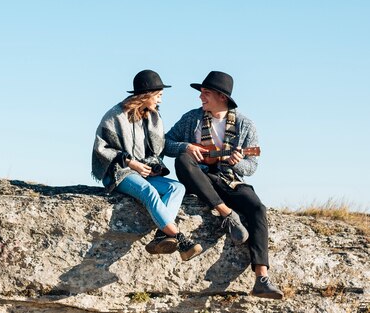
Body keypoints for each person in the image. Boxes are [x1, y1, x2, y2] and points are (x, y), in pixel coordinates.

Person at [164, 70, 284, 299]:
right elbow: (165, 144)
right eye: (201, 93)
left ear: (222, 97)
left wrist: (237, 163)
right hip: (199, 179)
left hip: (229, 180)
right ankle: (227, 214)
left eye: (206, 93)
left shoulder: (245, 124)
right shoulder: (192, 118)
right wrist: (186, 147)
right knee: (182, 160)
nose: (201, 97)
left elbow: (252, 166)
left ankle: (262, 278)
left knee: (257, 208)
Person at [92, 69, 202, 261]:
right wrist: (131, 163)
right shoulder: (115, 115)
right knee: (148, 192)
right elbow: (102, 148)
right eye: (158, 96)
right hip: (119, 172)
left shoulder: (153, 117)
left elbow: (157, 149)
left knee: (177, 188)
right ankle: (180, 239)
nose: (160, 100)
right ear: (146, 95)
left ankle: (162, 235)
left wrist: (149, 166)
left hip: (142, 171)